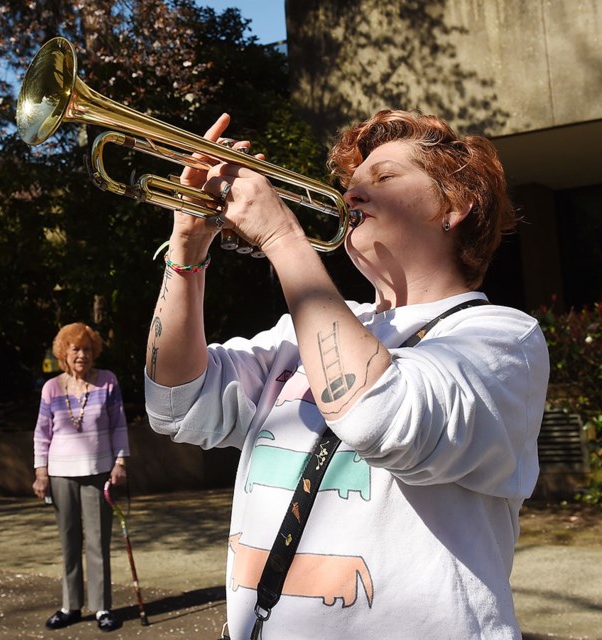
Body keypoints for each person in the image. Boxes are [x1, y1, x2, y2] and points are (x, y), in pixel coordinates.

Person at [143, 110, 550, 639]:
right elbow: (175, 404)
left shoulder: (500, 337)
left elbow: (377, 415)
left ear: (454, 207)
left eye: (383, 179)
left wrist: (281, 236)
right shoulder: (307, 327)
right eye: (352, 184)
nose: (353, 195)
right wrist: (187, 247)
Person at [33, 322, 130, 633]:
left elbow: (119, 424)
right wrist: (40, 472)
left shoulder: (107, 382)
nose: (82, 355)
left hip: (99, 471)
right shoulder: (51, 388)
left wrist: (120, 462)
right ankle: (70, 606)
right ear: (64, 352)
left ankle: (102, 607)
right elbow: (41, 433)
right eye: (75, 349)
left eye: (87, 349)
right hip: (60, 474)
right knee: (69, 541)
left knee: (98, 542)